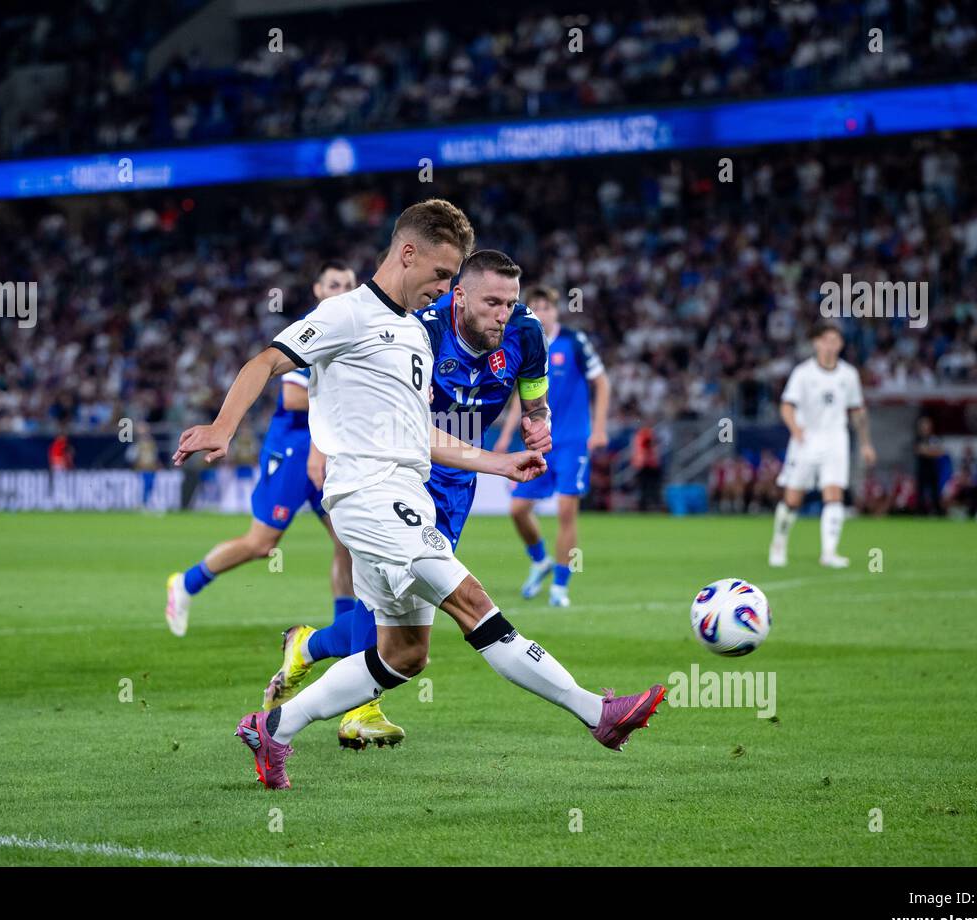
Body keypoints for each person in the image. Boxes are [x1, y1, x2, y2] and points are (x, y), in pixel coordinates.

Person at [173, 199, 666, 790]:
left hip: (404, 492)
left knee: (404, 655)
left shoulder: (411, 333)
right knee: (474, 603)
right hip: (369, 497)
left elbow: (421, 434)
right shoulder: (346, 314)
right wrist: (223, 429)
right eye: (440, 274)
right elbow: (265, 362)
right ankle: (598, 713)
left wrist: (500, 462)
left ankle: (273, 728)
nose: (444, 288)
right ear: (408, 253)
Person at [267, 249, 552, 750]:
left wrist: (538, 420)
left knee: (406, 604)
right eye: (493, 302)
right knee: (400, 594)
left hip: (458, 478)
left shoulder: (526, 332)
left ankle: (308, 646)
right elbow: (352, 392)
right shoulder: (421, 327)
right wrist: (320, 447)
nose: (503, 313)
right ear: (462, 294)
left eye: (510, 302)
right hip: (397, 468)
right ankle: (359, 710)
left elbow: (535, 392)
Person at [165, 262, 358, 637]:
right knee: (262, 543)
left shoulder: (350, 330)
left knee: (346, 540)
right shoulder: (314, 329)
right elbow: (292, 396)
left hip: (328, 447)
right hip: (293, 450)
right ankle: (186, 583)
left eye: (350, 284)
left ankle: (343, 631)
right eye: (334, 284)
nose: (343, 290)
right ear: (318, 290)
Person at [501, 285, 611, 607]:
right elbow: (521, 395)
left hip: (573, 441)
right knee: (518, 510)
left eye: (546, 307)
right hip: (538, 440)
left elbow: (601, 381)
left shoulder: (574, 342)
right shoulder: (525, 343)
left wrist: (600, 428)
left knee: (566, 511)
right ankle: (540, 561)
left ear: (556, 311)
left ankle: (560, 587)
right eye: (534, 307)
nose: (541, 313)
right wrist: (507, 435)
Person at [768, 322, 876, 568]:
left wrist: (866, 443)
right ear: (816, 342)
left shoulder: (848, 375)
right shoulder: (803, 373)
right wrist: (795, 428)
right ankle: (779, 542)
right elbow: (786, 405)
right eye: (826, 339)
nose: (831, 345)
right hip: (806, 438)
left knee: (834, 495)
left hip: (836, 438)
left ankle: (829, 552)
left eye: (836, 340)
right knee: (793, 498)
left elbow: (857, 411)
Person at [913, 415, 944, 515]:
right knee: (921, 492)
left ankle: (937, 512)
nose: (925, 427)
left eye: (927, 425)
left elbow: (939, 452)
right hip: (922, 469)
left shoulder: (934, 438)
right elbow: (918, 450)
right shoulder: (918, 438)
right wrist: (930, 451)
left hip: (933, 469)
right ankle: (921, 512)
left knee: (935, 492)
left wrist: (927, 451)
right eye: (923, 425)